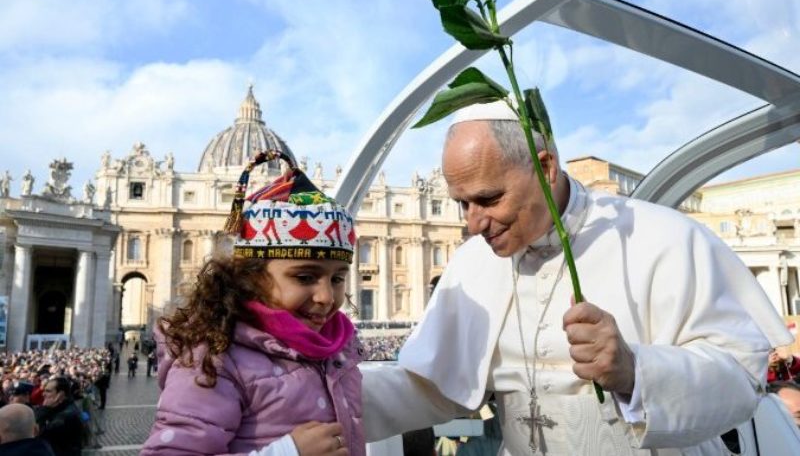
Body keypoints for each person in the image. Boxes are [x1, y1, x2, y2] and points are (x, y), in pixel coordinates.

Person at [361, 102, 793, 454]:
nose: (474, 224)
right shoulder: (473, 261)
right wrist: (318, 393)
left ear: (545, 168)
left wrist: (635, 371)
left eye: (488, 199)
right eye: (462, 204)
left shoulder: (663, 235)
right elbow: (437, 386)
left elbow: (742, 376)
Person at [142, 150, 363, 455]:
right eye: (304, 277)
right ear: (250, 276)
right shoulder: (213, 359)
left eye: (337, 279)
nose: (326, 297)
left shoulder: (333, 352)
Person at [34, 376, 83, 456]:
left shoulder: (66, 416)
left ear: (60, 395)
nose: (43, 394)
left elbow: (40, 434)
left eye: (48, 391)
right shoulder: (59, 408)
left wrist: (44, 409)